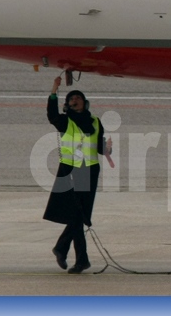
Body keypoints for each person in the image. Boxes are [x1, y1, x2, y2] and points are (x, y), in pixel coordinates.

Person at [43, 76, 112, 274]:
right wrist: (54, 89)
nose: (75, 100)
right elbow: (51, 115)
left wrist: (107, 149)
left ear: (84, 102)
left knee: (80, 215)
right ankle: (81, 259)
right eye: (71, 98)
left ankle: (62, 248)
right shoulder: (64, 121)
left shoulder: (95, 122)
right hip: (71, 170)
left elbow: (98, 148)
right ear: (67, 105)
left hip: (89, 170)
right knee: (77, 215)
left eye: (78, 97)